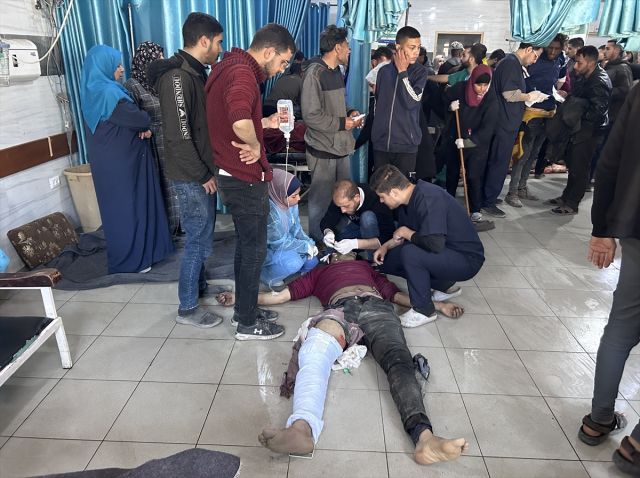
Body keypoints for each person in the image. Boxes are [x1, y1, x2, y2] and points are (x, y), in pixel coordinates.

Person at [215, 252, 466, 465]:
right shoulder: (318, 273)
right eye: (334, 252)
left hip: (378, 309)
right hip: (341, 309)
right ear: (329, 258)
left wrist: (437, 306)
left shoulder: (367, 268)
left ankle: (425, 439)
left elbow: (396, 296)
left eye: (346, 250)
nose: (339, 252)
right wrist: (241, 299)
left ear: (354, 254)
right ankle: (301, 428)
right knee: (315, 349)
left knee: (399, 361)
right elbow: (280, 296)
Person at [205, 23, 296, 340]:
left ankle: (244, 310)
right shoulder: (243, 73)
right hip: (243, 177)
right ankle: (247, 324)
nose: (282, 69)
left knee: (246, 248)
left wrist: (265, 123)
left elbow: (236, 116)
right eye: (282, 61)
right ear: (268, 51)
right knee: (255, 251)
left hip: (232, 175)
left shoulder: (230, 67)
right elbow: (239, 119)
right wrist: (256, 146)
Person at [148, 13, 225, 328]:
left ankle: (200, 287)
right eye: (218, 42)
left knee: (203, 236)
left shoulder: (195, 73)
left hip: (201, 170)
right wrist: (202, 174)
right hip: (192, 175)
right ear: (204, 40)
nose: (220, 49)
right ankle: (187, 308)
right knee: (197, 241)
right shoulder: (177, 78)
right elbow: (178, 138)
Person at [579, 84, 640, 476]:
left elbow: (610, 160)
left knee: (620, 328)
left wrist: (603, 228)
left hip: (636, 228)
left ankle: (598, 419)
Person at [81, 45, 174, 276]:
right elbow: (141, 119)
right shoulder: (109, 94)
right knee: (128, 209)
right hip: (122, 164)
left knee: (124, 209)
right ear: (104, 67)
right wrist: (144, 126)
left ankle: (144, 254)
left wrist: (143, 127)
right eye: (117, 65)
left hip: (114, 162)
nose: (122, 69)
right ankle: (132, 261)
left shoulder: (93, 91)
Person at [370, 165, 485, 325]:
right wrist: (385, 247)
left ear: (394, 192)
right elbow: (403, 236)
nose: (381, 201)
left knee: (410, 253)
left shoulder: (428, 197)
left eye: (382, 196)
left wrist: (405, 232)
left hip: (466, 259)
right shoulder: (406, 202)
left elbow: (434, 244)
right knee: (387, 260)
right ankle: (444, 285)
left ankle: (424, 310)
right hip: (446, 251)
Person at [302, 25, 363, 244]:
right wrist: (341, 122)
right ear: (337, 47)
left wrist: (350, 113)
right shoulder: (314, 73)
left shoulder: (336, 71)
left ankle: (339, 243)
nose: (349, 50)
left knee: (343, 200)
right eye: (347, 46)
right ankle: (318, 245)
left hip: (341, 147)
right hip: (323, 149)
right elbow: (311, 115)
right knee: (321, 201)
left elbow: (334, 107)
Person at [543, 46, 611, 215]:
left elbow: (597, 111)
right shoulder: (586, 77)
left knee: (580, 169)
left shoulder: (599, 81)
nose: (575, 66)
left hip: (589, 132)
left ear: (591, 63)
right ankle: (566, 197)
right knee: (573, 165)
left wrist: (576, 117)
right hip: (579, 129)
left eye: (579, 63)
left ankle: (572, 204)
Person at [480, 43, 544, 218]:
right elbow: (509, 94)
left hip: (506, 122)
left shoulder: (512, 63)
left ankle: (487, 196)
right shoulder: (511, 64)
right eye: (535, 56)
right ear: (529, 49)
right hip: (504, 123)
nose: (534, 61)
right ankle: (487, 201)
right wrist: (530, 96)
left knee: (497, 161)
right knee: (498, 162)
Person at [124, 42, 181, 237]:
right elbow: (131, 117)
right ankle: (163, 231)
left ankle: (179, 227)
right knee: (160, 185)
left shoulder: (162, 82)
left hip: (170, 139)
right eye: (158, 58)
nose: (162, 62)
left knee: (175, 184)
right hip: (150, 144)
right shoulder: (132, 85)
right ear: (146, 61)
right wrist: (145, 129)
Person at [504, 33, 568, 208]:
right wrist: (530, 96)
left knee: (534, 154)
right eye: (550, 47)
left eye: (557, 49)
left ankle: (522, 187)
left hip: (549, 112)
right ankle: (512, 191)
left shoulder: (561, 59)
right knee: (523, 154)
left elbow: (560, 80)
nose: (553, 51)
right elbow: (520, 83)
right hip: (531, 113)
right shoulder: (534, 59)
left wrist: (558, 92)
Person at [439, 65, 498, 222]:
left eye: (485, 85)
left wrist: (468, 142)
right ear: (472, 81)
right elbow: (443, 99)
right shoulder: (460, 88)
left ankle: (475, 209)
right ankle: (449, 203)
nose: (482, 89)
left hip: (477, 143)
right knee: (452, 172)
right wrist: (450, 107)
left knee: (473, 175)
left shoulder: (490, 97)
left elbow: (489, 126)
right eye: (479, 85)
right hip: (456, 135)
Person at [371, 26, 428, 177]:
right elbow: (378, 104)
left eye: (418, 47)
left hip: (406, 143)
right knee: (380, 187)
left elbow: (412, 102)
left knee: (403, 188)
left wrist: (403, 72)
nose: (416, 52)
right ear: (398, 48)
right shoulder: (384, 71)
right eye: (412, 47)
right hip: (382, 142)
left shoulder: (420, 72)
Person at [262, 169, 318, 289]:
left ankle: (287, 269)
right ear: (280, 193)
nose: (299, 198)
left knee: (312, 260)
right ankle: (266, 276)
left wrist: (308, 242)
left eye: (299, 193)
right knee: (295, 262)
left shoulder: (290, 204)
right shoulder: (270, 212)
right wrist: (304, 247)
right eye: (294, 196)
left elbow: (296, 228)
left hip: (286, 242)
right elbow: (278, 243)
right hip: (269, 249)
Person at [588, 40, 633, 185]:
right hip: (602, 114)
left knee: (600, 148)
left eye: (608, 48)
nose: (604, 51)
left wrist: (605, 91)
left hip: (612, 116)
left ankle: (593, 179)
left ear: (617, 50)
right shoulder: (608, 66)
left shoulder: (622, 68)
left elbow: (626, 91)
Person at [320, 180, 395, 261]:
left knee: (367, 217)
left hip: (382, 229)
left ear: (357, 198)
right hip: (359, 225)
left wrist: (355, 244)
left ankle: (373, 260)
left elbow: (388, 237)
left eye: (346, 206)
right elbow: (327, 221)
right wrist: (328, 232)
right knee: (333, 248)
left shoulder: (377, 199)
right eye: (340, 207)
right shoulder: (341, 199)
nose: (342, 211)